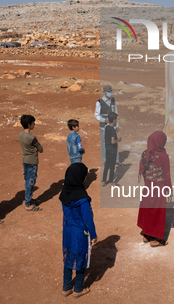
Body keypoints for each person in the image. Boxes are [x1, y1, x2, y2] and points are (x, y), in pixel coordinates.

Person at [59, 163, 97, 298]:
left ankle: (66, 287)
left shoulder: (64, 193)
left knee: (69, 257)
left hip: (68, 231)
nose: (85, 178)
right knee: (81, 259)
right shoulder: (83, 199)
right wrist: (93, 235)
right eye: (84, 176)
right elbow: (87, 220)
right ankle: (78, 289)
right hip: (81, 233)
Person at [137, 131, 172, 247]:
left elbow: (142, 171)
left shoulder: (145, 154)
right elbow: (166, 175)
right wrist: (169, 191)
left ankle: (146, 235)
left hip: (148, 187)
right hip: (159, 188)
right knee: (156, 213)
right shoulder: (163, 156)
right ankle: (153, 239)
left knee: (148, 211)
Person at [19, 114, 43, 211]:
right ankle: (28, 204)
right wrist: (35, 148)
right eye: (33, 123)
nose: (34, 125)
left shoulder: (21, 135)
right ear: (29, 125)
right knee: (31, 182)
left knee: (27, 181)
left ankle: (29, 199)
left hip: (25, 160)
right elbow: (41, 149)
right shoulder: (32, 137)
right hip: (32, 161)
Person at [94, 84, 120, 164]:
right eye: (108, 91)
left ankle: (116, 160)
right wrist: (104, 120)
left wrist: (117, 125)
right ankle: (106, 160)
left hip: (113, 126)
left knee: (115, 141)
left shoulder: (113, 100)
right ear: (104, 92)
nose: (110, 93)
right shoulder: (99, 102)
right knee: (105, 142)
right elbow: (96, 115)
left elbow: (116, 112)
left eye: (111, 91)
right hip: (104, 126)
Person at [102, 112, 120, 186]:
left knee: (107, 165)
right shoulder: (112, 130)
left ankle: (103, 180)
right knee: (112, 166)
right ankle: (111, 182)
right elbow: (113, 142)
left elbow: (104, 137)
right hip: (113, 149)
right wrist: (118, 140)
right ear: (114, 120)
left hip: (107, 148)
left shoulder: (107, 127)